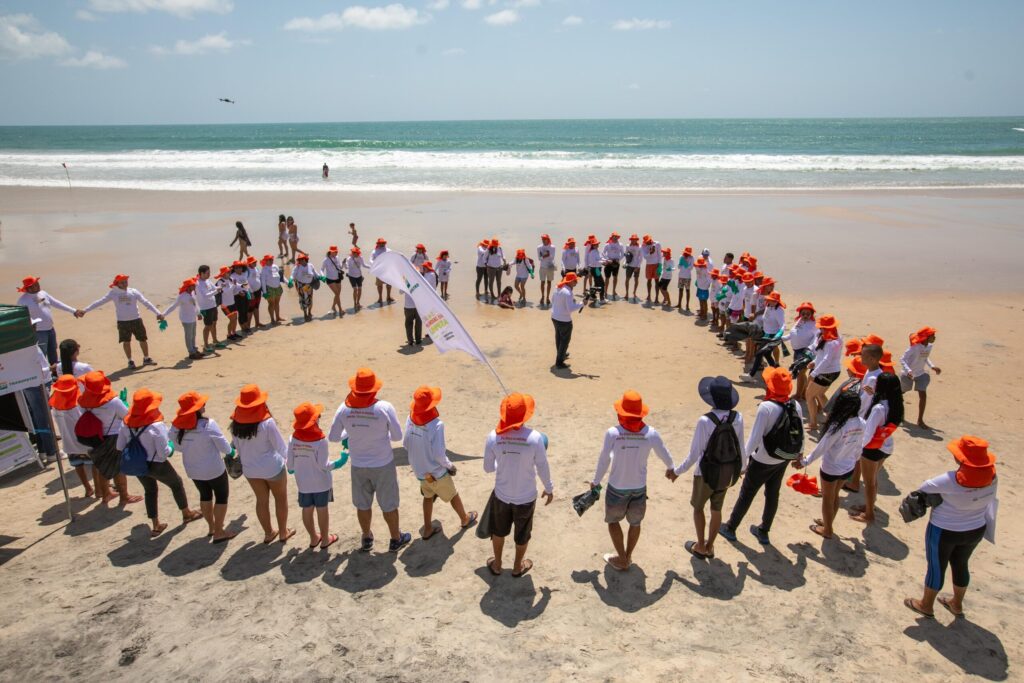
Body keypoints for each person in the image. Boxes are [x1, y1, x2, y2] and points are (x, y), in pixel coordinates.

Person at [904, 435, 998, 619]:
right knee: (961, 564)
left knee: (936, 566)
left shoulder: (950, 480)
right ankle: (956, 603)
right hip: (976, 528)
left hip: (944, 530)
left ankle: (926, 605)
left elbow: (924, 487)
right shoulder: (993, 478)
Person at [589, 390, 674, 571]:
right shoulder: (651, 433)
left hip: (617, 487)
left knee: (613, 521)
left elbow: (604, 459)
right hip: (639, 488)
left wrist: (595, 481)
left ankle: (622, 558)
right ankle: (627, 556)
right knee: (635, 523)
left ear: (621, 412)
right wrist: (670, 468)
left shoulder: (613, 433)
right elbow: (665, 454)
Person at [327, 368, 411, 553]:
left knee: (362, 503)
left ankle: (366, 536)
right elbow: (397, 436)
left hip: (358, 464)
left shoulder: (344, 408)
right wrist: (379, 434)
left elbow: (333, 437)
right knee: (389, 504)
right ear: (374, 389)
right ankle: (395, 538)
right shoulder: (384, 408)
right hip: (382, 463)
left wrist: (351, 432)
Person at [720, 368, 803, 546]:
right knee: (773, 493)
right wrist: (799, 454)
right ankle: (764, 531)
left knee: (747, 493)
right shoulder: (795, 405)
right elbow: (800, 432)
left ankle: (731, 527)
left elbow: (754, 439)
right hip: (783, 457)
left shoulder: (766, 408)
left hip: (763, 459)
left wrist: (742, 462)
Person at [671, 376, 745, 560]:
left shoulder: (705, 421)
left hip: (705, 473)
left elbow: (694, 454)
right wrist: (741, 468)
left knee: (698, 508)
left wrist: (677, 471)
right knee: (716, 509)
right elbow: (741, 446)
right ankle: (711, 545)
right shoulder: (738, 417)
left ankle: (700, 545)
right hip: (727, 470)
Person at [482, 393, 553, 577]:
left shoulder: (492, 437)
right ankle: (517, 566)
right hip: (526, 496)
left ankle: (497, 564)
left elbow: (488, 468)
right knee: (523, 533)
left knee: (498, 531)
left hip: (502, 494)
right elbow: (543, 466)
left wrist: (503, 462)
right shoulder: (535, 438)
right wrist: (549, 488)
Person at [117, 389, 203, 537]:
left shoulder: (126, 424)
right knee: (176, 483)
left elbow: (119, 446)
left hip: (138, 464)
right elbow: (164, 453)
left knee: (150, 490)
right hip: (157, 464)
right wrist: (170, 445)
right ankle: (186, 513)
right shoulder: (156, 426)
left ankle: (156, 524)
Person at [403, 385, 477, 539]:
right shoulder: (436, 425)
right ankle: (464, 518)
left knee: (428, 496)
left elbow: (405, 443)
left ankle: (428, 528)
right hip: (437, 472)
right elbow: (438, 454)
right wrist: (450, 466)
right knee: (453, 494)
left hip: (420, 472)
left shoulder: (410, 419)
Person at [794, 390, 864, 539]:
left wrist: (805, 461)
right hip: (848, 467)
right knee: (835, 496)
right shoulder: (861, 423)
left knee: (827, 498)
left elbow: (822, 447)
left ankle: (827, 530)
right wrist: (855, 459)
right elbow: (859, 447)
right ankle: (828, 522)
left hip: (831, 468)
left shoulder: (837, 426)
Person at [230, 384, 294, 543]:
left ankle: (268, 533)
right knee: (281, 499)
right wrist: (292, 463)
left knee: (261, 500)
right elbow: (281, 447)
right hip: (272, 468)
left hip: (250, 469)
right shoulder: (267, 423)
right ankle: (283, 532)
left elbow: (236, 447)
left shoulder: (235, 425)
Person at [172, 390, 236, 542]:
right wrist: (231, 451)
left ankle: (212, 527)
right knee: (221, 497)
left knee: (205, 496)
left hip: (193, 470)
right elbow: (224, 448)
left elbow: (177, 447)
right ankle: (219, 531)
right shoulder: (208, 424)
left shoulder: (177, 427)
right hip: (213, 469)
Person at [77, 370, 142, 505]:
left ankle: (106, 494)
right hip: (114, 437)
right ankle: (124, 496)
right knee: (119, 468)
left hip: (95, 437)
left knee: (102, 466)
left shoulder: (83, 401)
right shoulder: (113, 401)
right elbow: (127, 416)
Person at [850, 373, 904, 524]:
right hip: (886, 446)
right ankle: (869, 506)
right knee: (873, 480)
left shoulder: (878, 408)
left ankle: (868, 514)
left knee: (869, 483)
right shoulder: (896, 404)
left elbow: (868, 432)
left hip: (871, 449)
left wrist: (857, 450)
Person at [288, 401, 342, 550]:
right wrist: (339, 462)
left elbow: (290, 466)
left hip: (303, 483)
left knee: (307, 509)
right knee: (322, 508)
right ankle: (325, 539)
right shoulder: (320, 441)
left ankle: (313, 538)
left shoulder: (292, 439)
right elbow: (324, 466)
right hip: (321, 482)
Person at [80, 274, 164, 369]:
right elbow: (99, 302)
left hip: (136, 319)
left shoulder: (133, 291)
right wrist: (85, 310)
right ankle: (130, 361)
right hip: (123, 322)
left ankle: (146, 358)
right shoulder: (113, 293)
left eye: (126, 282)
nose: (125, 284)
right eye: (122, 282)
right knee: (126, 341)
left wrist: (158, 313)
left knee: (143, 339)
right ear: (117, 283)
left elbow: (145, 302)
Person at [16, 276, 80, 366]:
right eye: (35, 285)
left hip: (50, 328)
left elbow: (56, 303)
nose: (38, 286)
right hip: (38, 332)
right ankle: (44, 375)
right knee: (42, 353)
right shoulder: (23, 300)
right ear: (29, 288)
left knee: (53, 350)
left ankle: (55, 372)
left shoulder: (43, 293)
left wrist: (73, 311)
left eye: (38, 283)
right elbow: (21, 318)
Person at [49, 375, 95, 498]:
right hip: (84, 443)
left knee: (78, 465)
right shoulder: (79, 404)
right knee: (95, 465)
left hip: (68, 443)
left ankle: (88, 488)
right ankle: (100, 490)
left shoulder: (55, 406)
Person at [805, 314, 842, 432]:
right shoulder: (829, 337)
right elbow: (822, 356)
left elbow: (827, 360)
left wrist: (814, 373)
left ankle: (813, 423)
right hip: (831, 371)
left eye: (822, 327)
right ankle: (832, 418)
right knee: (820, 394)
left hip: (826, 372)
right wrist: (814, 362)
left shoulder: (833, 342)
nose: (820, 329)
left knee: (809, 396)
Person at [740, 291, 788, 381]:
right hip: (765, 333)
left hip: (772, 336)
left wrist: (779, 334)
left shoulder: (779, 311)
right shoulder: (768, 306)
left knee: (759, 353)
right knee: (767, 354)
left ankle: (751, 375)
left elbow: (783, 325)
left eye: (773, 301)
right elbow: (765, 317)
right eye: (770, 300)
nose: (771, 302)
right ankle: (777, 374)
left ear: (777, 301)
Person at [901, 326, 941, 429]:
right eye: (933, 336)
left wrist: (932, 366)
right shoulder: (914, 347)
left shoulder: (929, 346)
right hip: (907, 374)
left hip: (920, 373)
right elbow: (902, 359)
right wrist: (908, 371)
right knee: (900, 394)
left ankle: (920, 420)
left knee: (923, 395)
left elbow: (925, 358)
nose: (935, 338)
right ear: (926, 337)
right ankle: (899, 415)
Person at [161, 278, 203, 361]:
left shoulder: (192, 293)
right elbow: (173, 306)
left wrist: (198, 313)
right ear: (188, 286)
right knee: (188, 336)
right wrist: (163, 314)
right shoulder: (182, 296)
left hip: (193, 317)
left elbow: (195, 304)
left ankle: (194, 349)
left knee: (193, 334)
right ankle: (191, 353)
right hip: (186, 319)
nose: (195, 286)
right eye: (193, 285)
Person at [784, 301, 817, 399]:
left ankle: (798, 394)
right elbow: (792, 334)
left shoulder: (814, 325)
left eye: (808, 314)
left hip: (805, 352)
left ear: (811, 314)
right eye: (803, 313)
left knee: (800, 373)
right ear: (800, 313)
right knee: (801, 373)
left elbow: (815, 340)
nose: (805, 315)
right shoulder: (798, 321)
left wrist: (808, 351)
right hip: (796, 351)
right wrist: (782, 338)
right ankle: (803, 393)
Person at [551, 271, 584, 369]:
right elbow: (570, 309)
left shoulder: (558, 287)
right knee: (565, 340)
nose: (576, 283)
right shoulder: (568, 292)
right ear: (569, 281)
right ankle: (559, 362)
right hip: (564, 320)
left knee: (559, 338)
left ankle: (561, 354)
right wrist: (582, 303)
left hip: (554, 317)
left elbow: (553, 300)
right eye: (574, 281)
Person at [195, 265, 227, 351]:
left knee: (214, 323)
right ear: (201, 273)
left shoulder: (208, 280)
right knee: (208, 326)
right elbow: (205, 295)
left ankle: (215, 341)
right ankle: (206, 345)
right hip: (206, 307)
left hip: (213, 305)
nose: (209, 274)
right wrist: (216, 291)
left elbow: (214, 288)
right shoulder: (198, 283)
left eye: (209, 272)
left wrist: (221, 286)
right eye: (207, 273)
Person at [292, 252, 320, 322]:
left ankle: (309, 312)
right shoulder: (297, 267)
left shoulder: (310, 265)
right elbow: (293, 275)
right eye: (299, 260)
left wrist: (321, 277)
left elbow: (315, 273)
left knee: (310, 299)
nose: (301, 261)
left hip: (309, 285)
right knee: (303, 299)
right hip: (301, 285)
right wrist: (290, 280)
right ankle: (305, 314)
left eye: (302, 259)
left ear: (305, 259)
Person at [259, 254, 285, 325]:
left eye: (272, 259)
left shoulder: (275, 266)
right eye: (269, 260)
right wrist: (264, 292)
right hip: (269, 288)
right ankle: (272, 319)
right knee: (271, 304)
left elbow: (281, 277)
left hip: (278, 287)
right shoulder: (264, 269)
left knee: (277, 303)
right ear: (266, 261)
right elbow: (263, 281)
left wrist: (287, 282)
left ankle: (278, 317)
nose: (271, 261)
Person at [322, 245, 346, 318]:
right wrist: (323, 276)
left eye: (336, 251)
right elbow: (321, 269)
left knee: (337, 294)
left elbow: (340, 267)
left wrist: (343, 263)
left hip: (338, 278)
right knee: (337, 294)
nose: (336, 252)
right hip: (330, 279)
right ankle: (340, 309)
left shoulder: (337, 258)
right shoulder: (326, 260)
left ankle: (333, 307)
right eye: (334, 251)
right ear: (330, 252)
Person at [372, 238, 394, 305]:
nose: (382, 244)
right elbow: (371, 260)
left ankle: (388, 296)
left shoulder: (389, 250)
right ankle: (380, 298)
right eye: (380, 243)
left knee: (389, 284)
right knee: (379, 285)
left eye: (383, 243)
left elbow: (393, 259)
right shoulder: (375, 251)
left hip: (388, 270)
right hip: (379, 270)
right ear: (378, 244)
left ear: (385, 243)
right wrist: (375, 265)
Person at [536, 234, 557, 307]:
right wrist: (546, 255)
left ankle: (548, 297)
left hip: (550, 266)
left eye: (545, 239)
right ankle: (542, 296)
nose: (543, 240)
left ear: (548, 239)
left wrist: (544, 255)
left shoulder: (553, 247)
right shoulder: (539, 247)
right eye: (542, 239)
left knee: (549, 282)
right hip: (542, 267)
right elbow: (539, 258)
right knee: (542, 282)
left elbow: (552, 256)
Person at [602, 232, 624, 299]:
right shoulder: (607, 244)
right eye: (614, 236)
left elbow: (623, 253)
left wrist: (619, 259)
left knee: (615, 277)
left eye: (616, 236)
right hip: (609, 262)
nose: (615, 237)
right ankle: (605, 291)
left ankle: (614, 291)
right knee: (607, 278)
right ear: (611, 237)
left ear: (618, 237)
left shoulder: (620, 244)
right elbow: (603, 253)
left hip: (616, 262)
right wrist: (607, 259)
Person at [344, 247, 367, 311]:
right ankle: (354, 303)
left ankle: (358, 303)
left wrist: (371, 267)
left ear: (358, 253)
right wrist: (344, 263)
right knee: (355, 289)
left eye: (356, 253)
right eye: (353, 252)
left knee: (360, 289)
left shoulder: (360, 257)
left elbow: (364, 265)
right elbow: (347, 267)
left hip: (359, 275)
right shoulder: (349, 259)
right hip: (351, 276)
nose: (354, 254)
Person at [245, 255, 264, 328]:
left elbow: (258, 278)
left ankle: (257, 323)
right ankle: (248, 326)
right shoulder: (247, 271)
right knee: (250, 310)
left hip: (258, 291)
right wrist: (250, 292)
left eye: (255, 262)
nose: (255, 263)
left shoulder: (256, 268)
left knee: (256, 307)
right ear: (249, 263)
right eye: (253, 262)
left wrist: (262, 289)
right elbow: (245, 282)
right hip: (251, 292)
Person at [641, 235, 661, 303]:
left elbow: (659, 255)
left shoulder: (657, 243)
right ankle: (649, 295)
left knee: (657, 281)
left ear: (651, 239)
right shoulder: (643, 246)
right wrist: (650, 253)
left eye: (649, 241)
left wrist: (660, 265)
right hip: (649, 264)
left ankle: (657, 297)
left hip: (656, 264)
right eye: (647, 241)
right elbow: (645, 257)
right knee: (649, 280)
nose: (648, 242)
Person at [485, 238, 505, 303]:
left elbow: (503, 255)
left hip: (499, 267)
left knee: (499, 281)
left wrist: (504, 260)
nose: (496, 246)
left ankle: (499, 294)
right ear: (492, 244)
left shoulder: (500, 248)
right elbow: (484, 258)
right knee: (491, 281)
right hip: (491, 268)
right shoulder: (488, 250)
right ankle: (492, 294)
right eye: (494, 245)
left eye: (496, 245)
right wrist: (486, 265)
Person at [624, 234, 642, 301]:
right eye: (632, 239)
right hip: (629, 265)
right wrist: (625, 263)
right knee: (627, 279)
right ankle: (627, 293)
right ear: (631, 240)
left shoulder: (639, 247)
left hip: (636, 266)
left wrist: (638, 266)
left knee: (636, 280)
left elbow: (641, 258)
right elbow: (626, 255)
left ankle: (634, 292)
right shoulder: (627, 246)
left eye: (635, 239)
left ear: (637, 240)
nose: (633, 240)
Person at [676, 246, 694, 311]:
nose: (686, 254)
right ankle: (679, 304)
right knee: (680, 290)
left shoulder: (692, 258)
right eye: (686, 253)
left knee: (687, 291)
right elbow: (678, 267)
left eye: (688, 253)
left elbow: (691, 268)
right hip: (681, 276)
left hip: (688, 277)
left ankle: (687, 305)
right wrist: (681, 263)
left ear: (690, 253)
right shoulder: (681, 257)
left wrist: (686, 264)